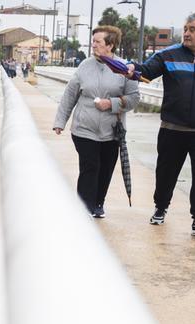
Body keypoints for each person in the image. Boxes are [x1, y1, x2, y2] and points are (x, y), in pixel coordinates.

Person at [126, 10, 195, 237]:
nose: (186, 34)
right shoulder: (169, 55)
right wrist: (131, 69)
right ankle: (160, 207)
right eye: (186, 29)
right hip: (172, 128)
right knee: (166, 172)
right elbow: (147, 72)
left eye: (192, 30)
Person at [52, 25, 139, 219]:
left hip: (111, 131)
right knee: (90, 166)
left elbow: (134, 98)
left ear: (110, 45)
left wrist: (112, 103)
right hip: (84, 129)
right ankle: (83, 208)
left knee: (106, 168)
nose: (93, 45)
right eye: (93, 41)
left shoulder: (124, 69)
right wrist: (60, 121)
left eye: (98, 42)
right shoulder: (85, 66)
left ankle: (98, 203)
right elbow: (70, 94)